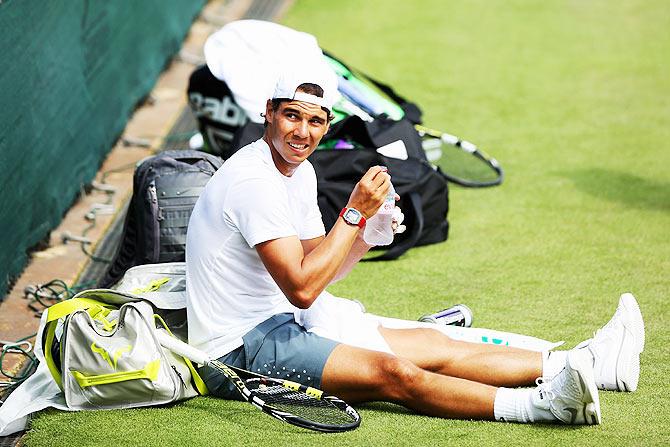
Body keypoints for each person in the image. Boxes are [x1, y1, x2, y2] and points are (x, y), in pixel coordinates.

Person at [185, 63, 644, 425]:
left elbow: (317, 272)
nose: (302, 132)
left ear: (327, 126)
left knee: (432, 343)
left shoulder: (299, 171)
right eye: (291, 116)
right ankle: (544, 407)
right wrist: (354, 214)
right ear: (269, 111)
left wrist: (363, 239)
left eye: (315, 121)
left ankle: (592, 364)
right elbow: (302, 287)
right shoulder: (253, 184)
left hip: (288, 319)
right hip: (240, 350)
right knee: (396, 372)